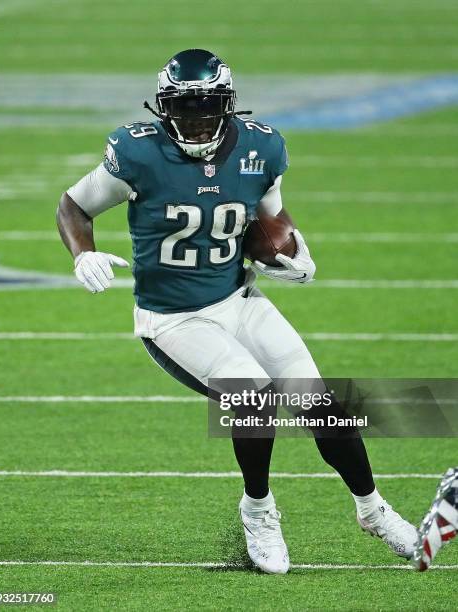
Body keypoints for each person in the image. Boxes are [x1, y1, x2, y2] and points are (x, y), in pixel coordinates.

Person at [57, 48, 418, 574]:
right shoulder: (137, 153)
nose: (196, 119)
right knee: (254, 397)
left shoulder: (262, 146)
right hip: (174, 317)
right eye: (183, 108)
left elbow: (270, 217)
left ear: (227, 104)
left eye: (206, 107)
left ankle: (373, 509)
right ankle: (258, 510)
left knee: (321, 403)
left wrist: (296, 250)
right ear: (163, 107)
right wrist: (82, 252)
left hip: (240, 299)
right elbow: (74, 205)